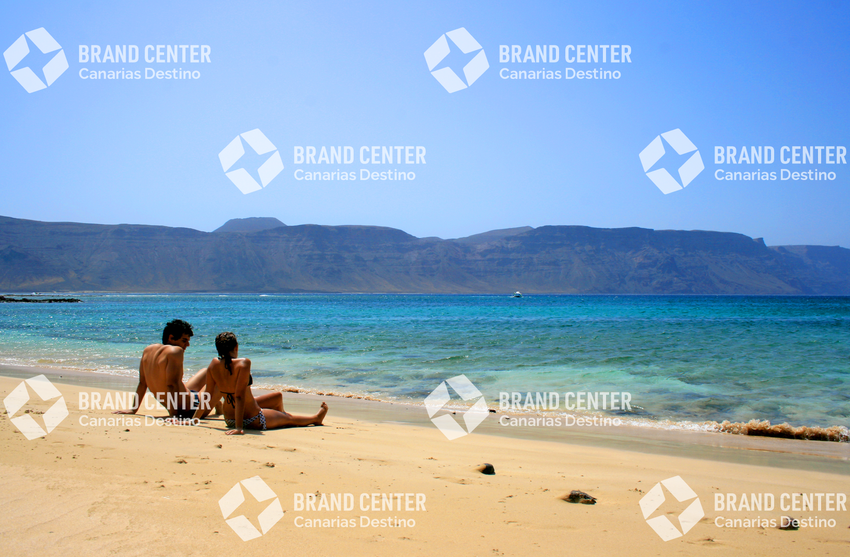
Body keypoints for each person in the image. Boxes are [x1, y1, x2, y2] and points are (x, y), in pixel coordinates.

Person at [194, 332, 327, 434]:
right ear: (236, 347)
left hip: (229, 419)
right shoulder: (243, 363)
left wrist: (194, 419)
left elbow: (208, 394)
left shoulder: (213, 364)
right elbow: (239, 396)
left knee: (277, 396)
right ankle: (315, 419)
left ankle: (278, 416)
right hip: (251, 419)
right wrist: (239, 427)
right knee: (289, 419)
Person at [114, 319, 215, 419]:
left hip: (186, 398)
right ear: (171, 337)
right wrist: (174, 415)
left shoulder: (148, 350)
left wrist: (133, 409)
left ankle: (218, 405)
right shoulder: (176, 351)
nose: (187, 345)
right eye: (184, 340)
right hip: (192, 409)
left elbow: (142, 383)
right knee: (221, 374)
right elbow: (171, 385)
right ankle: (221, 406)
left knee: (206, 371)